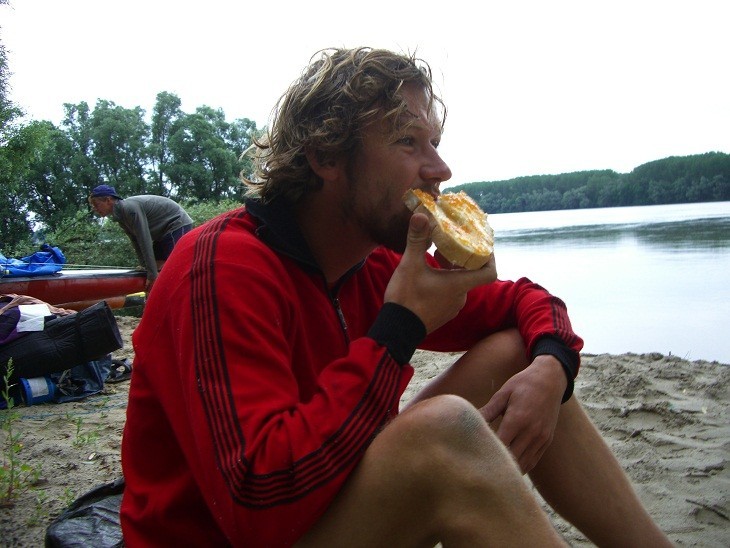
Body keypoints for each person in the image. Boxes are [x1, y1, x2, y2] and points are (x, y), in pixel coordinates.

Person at [120, 48, 672, 547]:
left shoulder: (370, 263)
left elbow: (521, 301)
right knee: (443, 433)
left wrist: (553, 364)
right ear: (326, 157)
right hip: (247, 529)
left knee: (518, 354)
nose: (440, 170)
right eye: (408, 142)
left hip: (326, 500)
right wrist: (399, 328)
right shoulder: (221, 267)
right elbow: (257, 500)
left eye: (434, 143)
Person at [88, 185, 193, 292]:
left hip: (176, 224)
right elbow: (135, 241)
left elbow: (144, 239)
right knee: (157, 266)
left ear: (108, 200)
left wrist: (152, 275)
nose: (94, 208)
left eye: (96, 204)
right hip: (161, 233)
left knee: (174, 267)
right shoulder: (120, 217)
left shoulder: (129, 209)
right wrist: (144, 266)